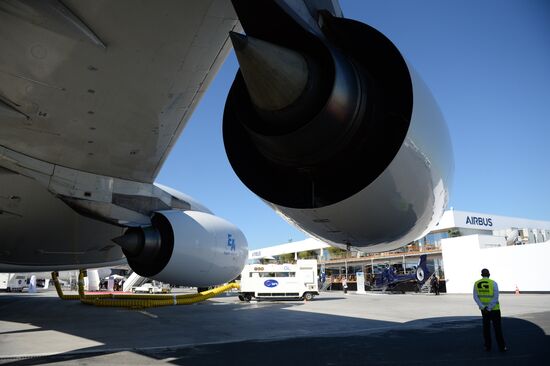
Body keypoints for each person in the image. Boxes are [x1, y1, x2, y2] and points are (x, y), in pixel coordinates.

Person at [473, 268, 507, 352]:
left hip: (484, 310)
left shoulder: (476, 283)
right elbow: (496, 297)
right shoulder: (493, 283)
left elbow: (475, 296)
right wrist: (489, 308)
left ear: (481, 275)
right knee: (497, 328)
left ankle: (487, 346)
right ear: (489, 274)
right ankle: (502, 347)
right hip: (494, 309)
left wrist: (482, 307)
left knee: (486, 328)